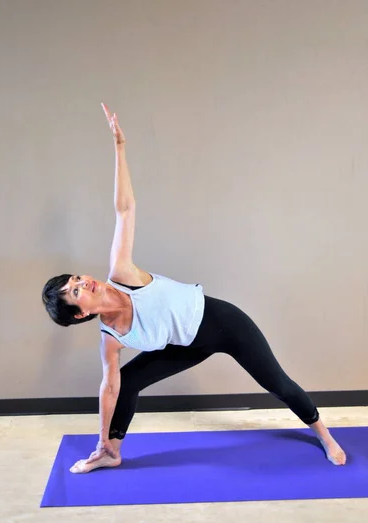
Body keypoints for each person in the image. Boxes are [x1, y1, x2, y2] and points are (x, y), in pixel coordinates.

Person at [42, 104, 346, 474]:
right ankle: (111, 452)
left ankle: (324, 434)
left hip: (221, 323)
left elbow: (124, 210)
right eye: (75, 293)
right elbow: (108, 388)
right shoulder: (111, 336)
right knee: (128, 381)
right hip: (185, 345)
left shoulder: (121, 272)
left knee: (278, 383)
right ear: (82, 314)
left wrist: (120, 147)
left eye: (75, 279)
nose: (82, 282)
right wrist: (102, 437)